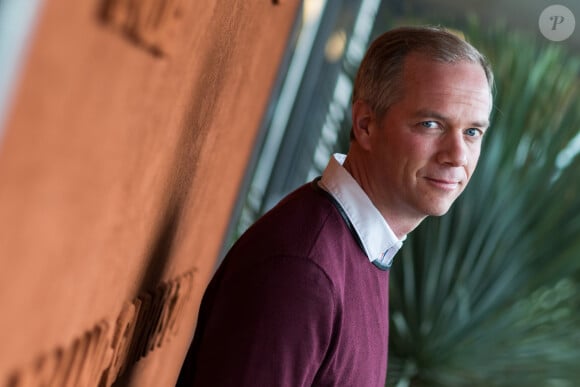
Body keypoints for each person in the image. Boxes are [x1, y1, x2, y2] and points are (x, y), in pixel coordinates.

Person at [177, 25, 494, 386]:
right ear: (366, 125)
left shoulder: (364, 250)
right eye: (431, 124)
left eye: (472, 132)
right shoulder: (303, 270)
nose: (457, 155)